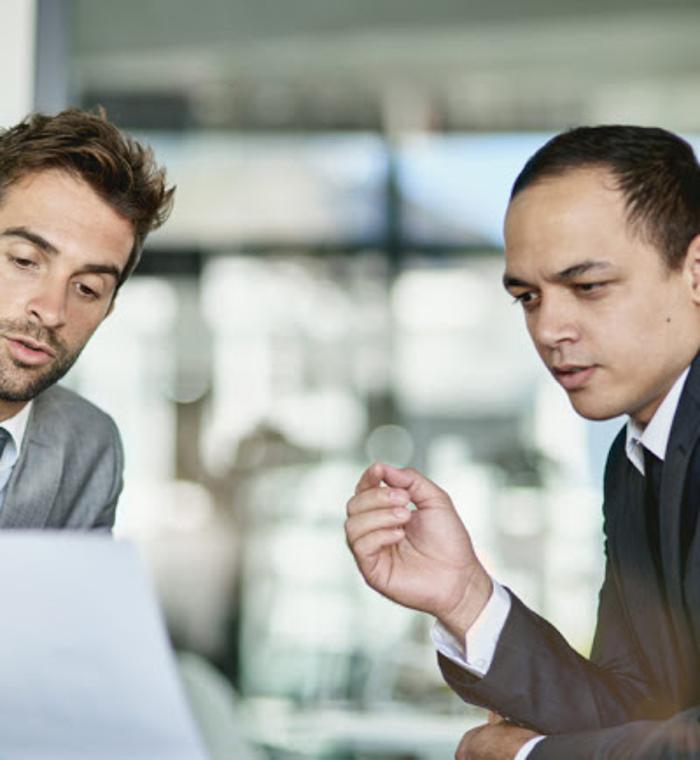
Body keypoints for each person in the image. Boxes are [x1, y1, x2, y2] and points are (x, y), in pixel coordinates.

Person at [345, 125, 700, 758]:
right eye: (528, 297)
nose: (549, 328)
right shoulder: (635, 460)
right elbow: (635, 709)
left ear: (695, 272)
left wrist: (527, 757)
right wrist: (465, 598)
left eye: (588, 287)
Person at [0, 108, 173, 530]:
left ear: (108, 308)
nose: (51, 311)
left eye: (87, 288)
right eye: (25, 261)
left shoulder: (91, 447)